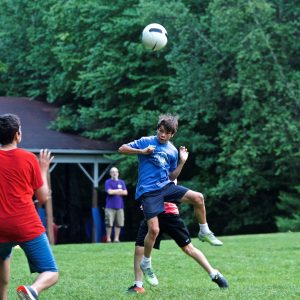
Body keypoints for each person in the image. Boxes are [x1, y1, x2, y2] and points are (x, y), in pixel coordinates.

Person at [118, 114, 222, 286]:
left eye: (166, 133)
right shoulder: (146, 141)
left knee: (198, 197)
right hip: (148, 191)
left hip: (165, 187)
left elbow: (172, 175)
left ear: (172, 134)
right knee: (154, 230)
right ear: (157, 129)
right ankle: (146, 264)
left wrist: (182, 162)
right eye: (160, 131)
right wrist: (141, 152)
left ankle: (204, 231)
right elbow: (122, 149)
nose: (162, 135)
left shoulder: (172, 151)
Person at [0, 114, 59, 300]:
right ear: (18, 135)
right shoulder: (29, 159)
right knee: (50, 272)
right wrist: (43, 169)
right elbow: (42, 198)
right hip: (26, 224)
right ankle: (32, 290)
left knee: (2, 270)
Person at [127, 201, 229, 294]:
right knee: (140, 248)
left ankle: (214, 274)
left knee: (188, 248)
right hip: (151, 215)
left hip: (169, 214)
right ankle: (138, 286)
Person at [104, 167, 128, 242]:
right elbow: (109, 192)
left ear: (118, 173)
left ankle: (116, 239)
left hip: (120, 206)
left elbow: (125, 193)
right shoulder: (108, 182)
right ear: (110, 173)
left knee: (119, 223)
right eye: (113, 172)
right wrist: (119, 190)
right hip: (109, 206)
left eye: (116, 172)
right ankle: (108, 239)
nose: (115, 173)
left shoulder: (121, 182)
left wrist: (114, 191)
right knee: (109, 223)